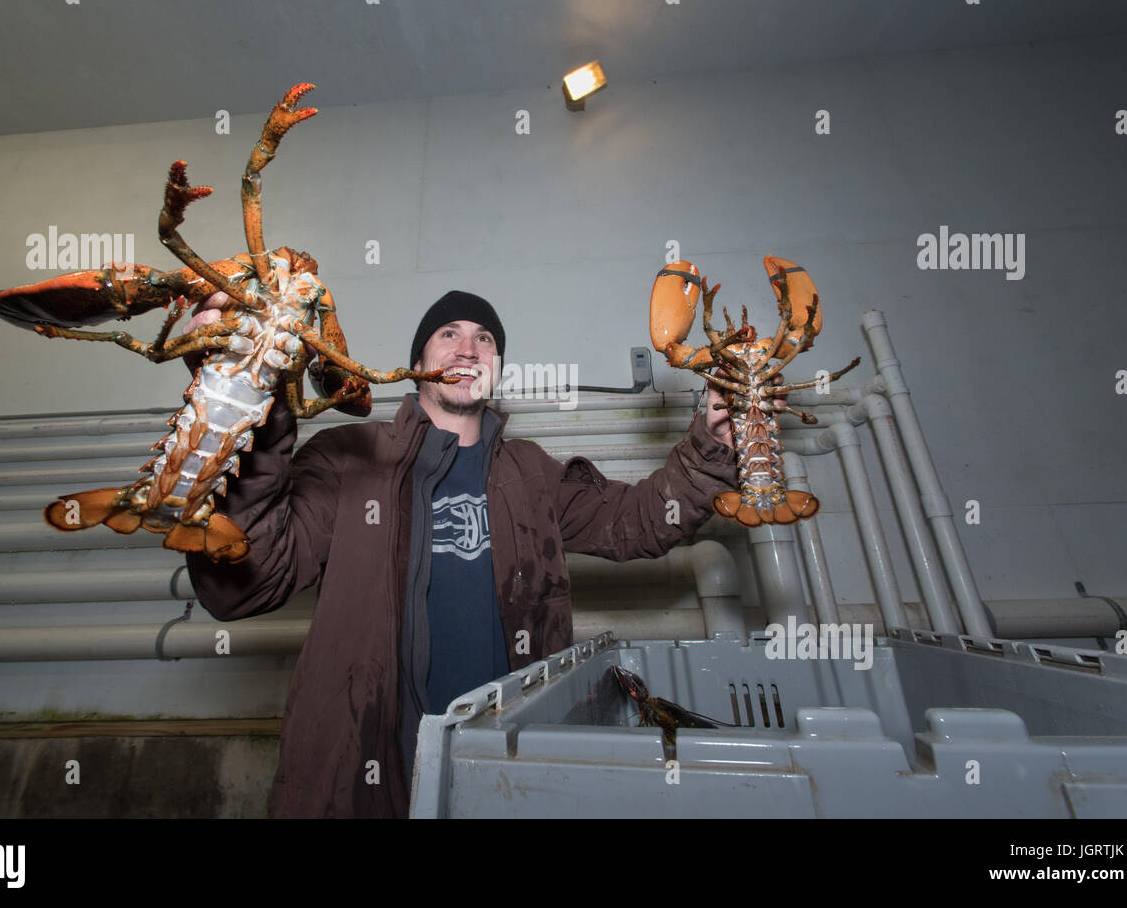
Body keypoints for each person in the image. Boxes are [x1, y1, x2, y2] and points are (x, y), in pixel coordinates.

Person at [185, 290, 739, 817]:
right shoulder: (349, 460)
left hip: (508, 771)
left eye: (485, 339)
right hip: (367, 771)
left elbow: (639, 521)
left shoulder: (532, 472)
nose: (468, 348)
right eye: (448, 333)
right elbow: (246, 583)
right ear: (418, 358)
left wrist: (712, 444)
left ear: (497, 366)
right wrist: (239, 405)